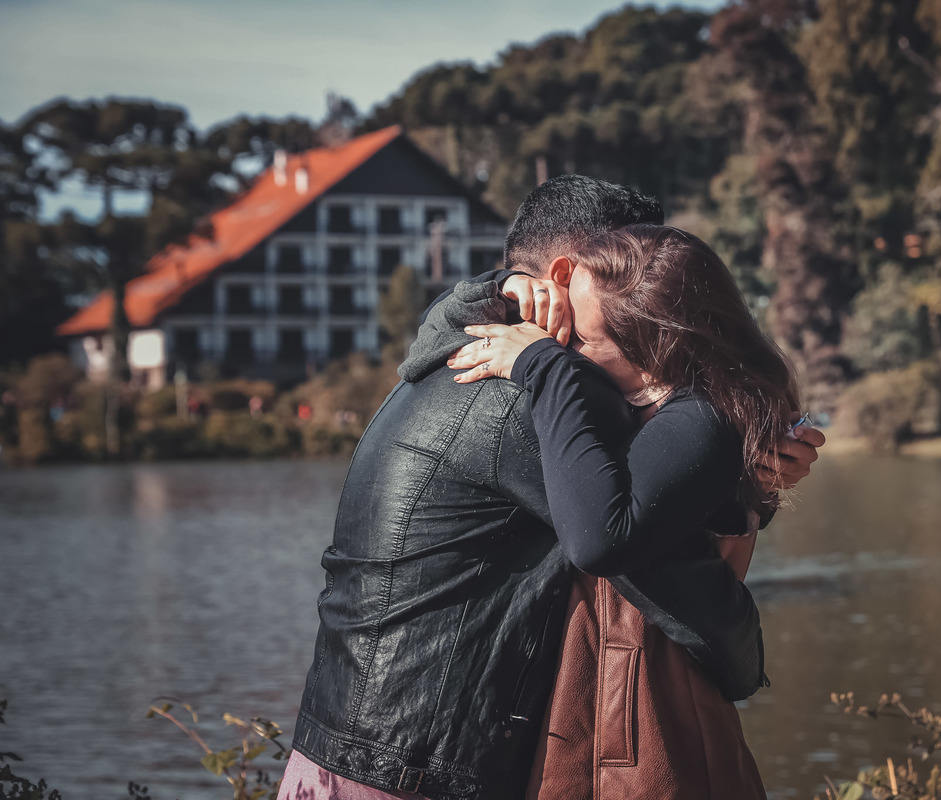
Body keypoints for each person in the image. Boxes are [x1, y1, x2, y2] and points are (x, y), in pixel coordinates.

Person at [278, 176, 820, 800]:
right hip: (415, 771)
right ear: (574, 273)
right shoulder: (546, 396)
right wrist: (745, 656)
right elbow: (679, 587)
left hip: (340, 749)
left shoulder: (458, 355)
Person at [439, 222, 824, 799]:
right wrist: (511, 284)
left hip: (659, 722)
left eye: (585, 342)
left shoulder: (707, 417)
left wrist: (545, 367)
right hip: (603, 710)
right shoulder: (656, 403)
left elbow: (600, 539)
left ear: (656, 351)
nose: (565, 342)